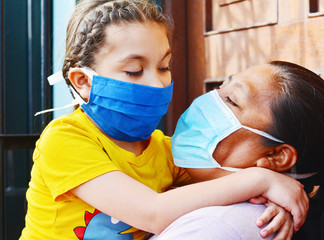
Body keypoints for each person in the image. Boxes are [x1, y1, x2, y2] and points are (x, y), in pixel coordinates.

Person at [20, 1, 308, 239]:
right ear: (83, 81)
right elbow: (152, 213)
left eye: (163, 66)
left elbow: (225, 183)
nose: (158, 84)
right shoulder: (64, 139)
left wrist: (275, 198)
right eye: (134, 70)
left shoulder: (165, 150)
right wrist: (262, 180)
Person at [156, 61, 324, 240]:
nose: (209, 99)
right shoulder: (187, 188)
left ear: (276, 156)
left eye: (232, 101)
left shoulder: (214, 227)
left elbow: (151, 212)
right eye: (221, 87)